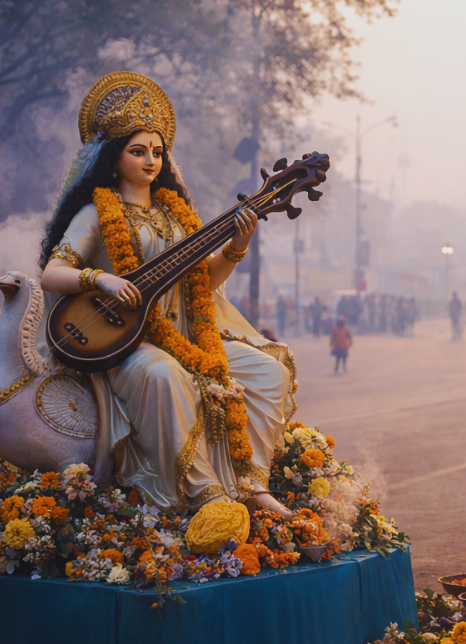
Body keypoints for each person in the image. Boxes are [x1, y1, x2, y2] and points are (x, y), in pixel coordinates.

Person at [38, 72, 294, 515]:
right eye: (138, 151)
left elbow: (200, 286)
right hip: (124, 343)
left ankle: (252, 486)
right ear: (113, 158)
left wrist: (236, 248)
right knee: (165, 376)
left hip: (188, 339)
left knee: (268, 371)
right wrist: (101, 279)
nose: (150, 160)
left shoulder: (177, 216)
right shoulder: (97, 212)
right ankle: (202, 495)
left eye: (157, 152)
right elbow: (52, 273)